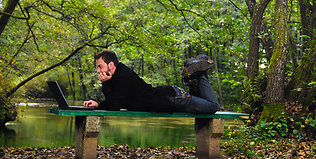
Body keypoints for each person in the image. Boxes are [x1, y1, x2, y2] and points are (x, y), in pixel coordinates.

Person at [83, 50, 219, 114]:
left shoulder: (123, 76)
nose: (98, 70)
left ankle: (200, 75)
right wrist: (99, 104)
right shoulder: (118, 76)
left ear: (111, 65)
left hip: (173, 99)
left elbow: (115, 106)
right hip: (170, 98)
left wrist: (105, 84)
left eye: (100, 66)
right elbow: (118, 101)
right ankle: (194, 79)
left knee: (213, 107)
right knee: (205, 104)